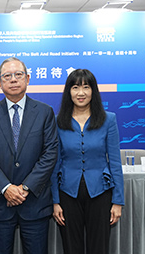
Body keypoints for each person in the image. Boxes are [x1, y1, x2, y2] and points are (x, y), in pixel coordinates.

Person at [0, 57, 59, 254]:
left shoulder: (44, 112)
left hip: (34, 204)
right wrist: (6, 188)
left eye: (18, 75)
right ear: (0, 82)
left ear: (28, 79)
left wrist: (24, 188)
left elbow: (50, 153)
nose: (13, 80)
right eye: (7, 76)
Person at [51, 69, 124, 254]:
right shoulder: (58, 121)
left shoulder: (109, 120)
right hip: (67, 193)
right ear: (69, 91)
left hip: (100, 192)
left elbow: (115, 162)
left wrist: (117, 201)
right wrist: (55, 201)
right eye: (75, 87)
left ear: (93, 90)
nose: (81, 93)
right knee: (71, 247)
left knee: (99, 247)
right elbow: (54, 163)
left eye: (86, 87)